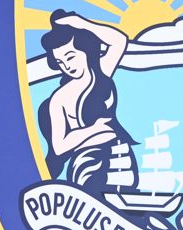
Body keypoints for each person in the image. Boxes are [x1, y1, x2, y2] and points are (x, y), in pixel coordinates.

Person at [37, 10, 136, 192]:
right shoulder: (59, 98)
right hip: (89, 161)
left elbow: (119, 41)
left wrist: (82, 24)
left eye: (70, 57)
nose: (67, 66)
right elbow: (59, 147)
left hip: (120, 154)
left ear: (85, 50)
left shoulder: (101, 73)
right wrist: (93, 129)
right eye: (60, 62)